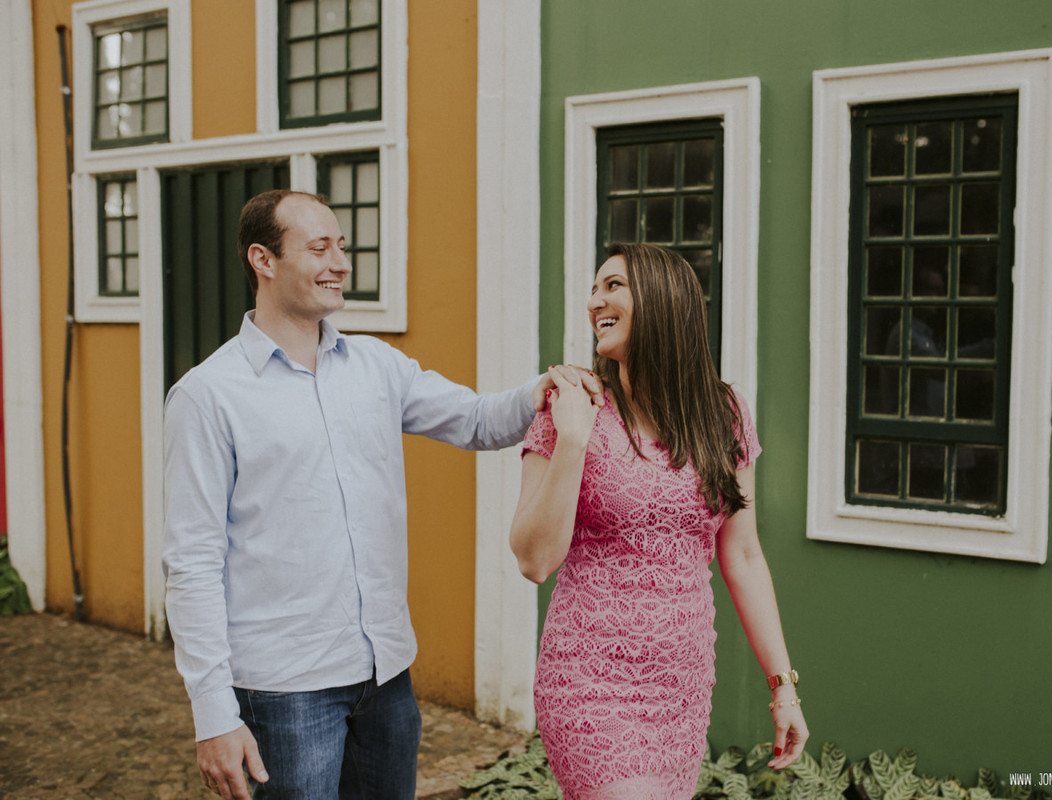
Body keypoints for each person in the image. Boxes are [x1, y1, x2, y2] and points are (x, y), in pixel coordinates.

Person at [162, 189, 600, 800]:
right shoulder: (207, 396)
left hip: (386, 677)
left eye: (341, 244)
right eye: (319, 248)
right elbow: (191, 564)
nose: (340, 261)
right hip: (284, 690)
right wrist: (213, 713)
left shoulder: (376, 366)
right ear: (263, 260)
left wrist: (550, 386)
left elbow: (477, 420)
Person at [509, 242, 809, 798]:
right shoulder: (572, 407)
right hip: (590, 684)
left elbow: (743, 555)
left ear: (664, 300)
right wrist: (573, 439)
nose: (596, 299)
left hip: (681, 688)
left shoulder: (723, 412)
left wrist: (782, 687)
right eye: (594, 288)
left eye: (613, 285)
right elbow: (533, 560)